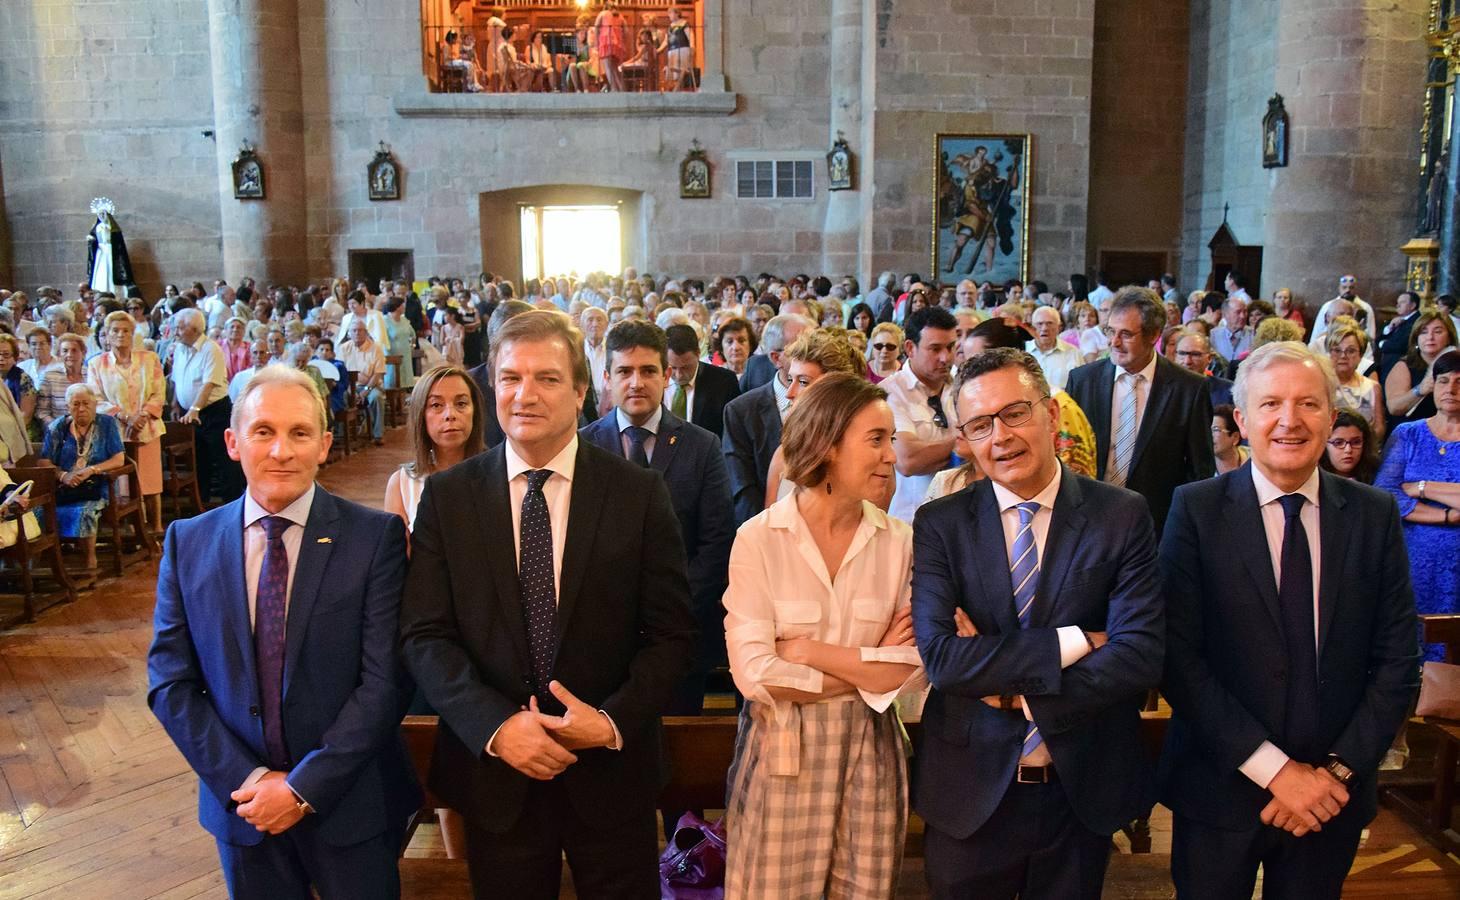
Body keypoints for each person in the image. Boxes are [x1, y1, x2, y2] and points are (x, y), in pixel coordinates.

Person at [398, 310, 694, 899]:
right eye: (510, 378)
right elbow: (425, 634)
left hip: (611, 776)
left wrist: (610, 722)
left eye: (547, 379)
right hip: (497, 775)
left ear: (582, 391)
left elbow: (671, 635)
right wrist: (497, 726)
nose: (524, 394)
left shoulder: (636, 491)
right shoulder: (451, 498)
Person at [1159, 340, 1419, 900]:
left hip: (1333, 797)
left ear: (1331, 415)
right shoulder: (1195, 509)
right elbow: (1178, 658)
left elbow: (1399, 659)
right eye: (1271, 404)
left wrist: (1336, 774)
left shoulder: (1373, 515)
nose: (1289, 421)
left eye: (1308, 404)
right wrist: (1277, 772)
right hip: (1220, 787)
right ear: (1241, 420)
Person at [148, 367, 420, 899]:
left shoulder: (373, 538)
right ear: (232, 442)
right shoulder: (189, 542)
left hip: (350, 807)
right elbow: (170, 684)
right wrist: (250, 783)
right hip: (243, 812)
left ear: (323, 445)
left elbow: (384, 683)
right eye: (263, 432)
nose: (281, 451)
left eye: (299, 433)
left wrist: (301, 788)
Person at [911, 347, 1163, 898]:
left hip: (1080, 790)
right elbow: (944, 660)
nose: (1000, 437)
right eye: (979, 425)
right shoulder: (941, 523)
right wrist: (1078, 641)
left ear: (1050, 415)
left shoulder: (1120, 514)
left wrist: (1006, 688)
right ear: (965, 439)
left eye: (1014, 413)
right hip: (968, 791)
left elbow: (1139, 654)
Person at [723, 372, 923, 898]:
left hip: (872, 759)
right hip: (782, 760)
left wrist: (811, 652)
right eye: (876, 439)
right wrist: (866, 669)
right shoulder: (760, 539)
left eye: (892, 439)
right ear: (827, 444)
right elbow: (755, 676)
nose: (890, 456)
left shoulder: (901, 542)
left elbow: (912, 667)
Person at [580, 320, 734, 720]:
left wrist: (667, 606)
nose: (636, 382)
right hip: (600, 638)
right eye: (624, 372)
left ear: (667, 375)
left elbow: (717, 543)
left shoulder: (702, 446)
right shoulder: (581, 447)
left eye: (648, 371)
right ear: (606, 378)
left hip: (680, 631)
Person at [1065, 287, 1215, 535]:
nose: (1114, 342)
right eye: (1110, 331)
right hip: (1088, 522)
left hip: (1155, 526)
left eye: (1126, 334)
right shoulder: (1082, 381)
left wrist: (1180, 527)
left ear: (1153, 335)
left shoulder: (1189, 388)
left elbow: (1200, 470)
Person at [1375, 348, 1460, 661]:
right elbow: (1386, 495)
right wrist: (1449, 515)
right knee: (1408, 646)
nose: (1451, 389)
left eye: (1459, 382)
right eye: (1443, 381)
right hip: (1412, 558)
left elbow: (1406, 492)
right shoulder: (1408, 434)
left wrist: (1422, 488)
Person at [722, 314, 815, 523]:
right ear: (776, 358)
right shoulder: (741, 411)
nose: (811, 353)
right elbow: (742, 487)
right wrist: (766, 536)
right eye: (800, 348)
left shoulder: (831, 404)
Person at [87, 310, 167, 534]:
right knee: (123, 484)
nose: (121, 335)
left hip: (146, 428)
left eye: (126, 331)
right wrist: (125, 416)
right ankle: (133, 529)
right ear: (107, 334)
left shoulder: (149, 359)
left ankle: (157, 526)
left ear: (133, 334)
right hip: (116, 431)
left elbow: (159, 392)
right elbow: (97, 399)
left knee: (151, 482)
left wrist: (141, 416)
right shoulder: (96, 364)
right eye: (115, 330)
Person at [884, 306, 959, 522]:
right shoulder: (890, 393)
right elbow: (908, 460)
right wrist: (967, 441)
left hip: (961, 519)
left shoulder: (964, 387)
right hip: (911, 521)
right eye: (935, 349)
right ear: (910, 348)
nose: (945, 357)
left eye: (951, 347)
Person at [39, 384, 125, 571]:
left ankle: (90, 561)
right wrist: (63, 476)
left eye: (86, 403)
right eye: (75, 404)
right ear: (68, 407)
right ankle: (51, 562)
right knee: (38, 511)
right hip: (64, 487)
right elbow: (44, 462)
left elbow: (119, 459)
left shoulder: (106, 424)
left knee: (85, 511)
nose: (81, 409)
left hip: (97, 485)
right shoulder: (57, 427)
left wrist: (92, 470)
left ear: (94, 404)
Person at [171, 308, 243, 503]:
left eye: (179, 328)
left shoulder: (211, 349)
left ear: (194, 329)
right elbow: (178, 378)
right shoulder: (180, 349)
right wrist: (176, 404)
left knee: (224, 460)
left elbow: (209, 383)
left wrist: (195, 409)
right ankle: (201, 503)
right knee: (198, 461)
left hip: (214, 411)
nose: (175, 332)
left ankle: (233, 503)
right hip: (190, 413)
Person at [663, 323, 739, 439]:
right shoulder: (655, 379)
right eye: (672, 368)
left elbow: (732, 433)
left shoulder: (724, 382)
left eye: (686, 367)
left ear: (698, 354)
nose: (679, 375)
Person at [1384, 310, 1457, 428]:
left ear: (1449, 337)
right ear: (1416, 337)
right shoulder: (1404, 365)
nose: (1430, 337)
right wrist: (1420, 389)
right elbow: (1394, 407)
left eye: (1437, 331)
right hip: (1410, 431)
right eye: (1424, 332)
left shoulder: (1456, 365)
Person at [1326, 322, 1384, 439]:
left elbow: (1379, 428)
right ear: (1329, 353)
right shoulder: (1320, 384)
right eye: (1337, 350)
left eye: (1351, 351)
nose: (1343, 356)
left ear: (1360, 356)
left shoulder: (1372, 387)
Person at [338, 319, 387, 446]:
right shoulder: (344, 348)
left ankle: (378, 435)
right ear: (349, 333)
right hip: (348, 387)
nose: (357, 333)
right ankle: (343, 434)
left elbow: (378, 374)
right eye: (354, 330)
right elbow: (340, 374)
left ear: (366, 332)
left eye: (360, 330)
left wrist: (365, 391)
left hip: (371, 386)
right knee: (340, 397)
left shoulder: (376, 349)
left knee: (376, 398)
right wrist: (351, 391)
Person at [739, 313, 812, 392]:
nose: (815, 354)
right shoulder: (756, 371)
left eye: (816, 345)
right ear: (776, 358)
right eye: (802, 350)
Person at [1025, 305, 1081, 391]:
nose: (1044, 328)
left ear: (1059, 327)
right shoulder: (1023, 351)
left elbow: (1080, 386)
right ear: (1032, 328)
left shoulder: (1073, 353)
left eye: (1049, 323)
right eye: (1040, 324)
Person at [1174, 330, 1235, 408]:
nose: (1187, 361)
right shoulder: (1162, 389)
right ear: (1175, 356)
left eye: (1195, 354)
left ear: (1209, 358)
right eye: (1182, 353)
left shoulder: (1227, 391)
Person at [1321, 408, 1380, 484]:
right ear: (1324, 444)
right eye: (1338, 443)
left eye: (1356, 442)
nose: (1348, 450)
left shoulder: (1379, 476)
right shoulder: (1313, 481)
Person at [1378, 290, 1421, 381]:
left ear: (1413, 305)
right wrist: (1390, 327)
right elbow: (1380, 338)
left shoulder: (1416, 322)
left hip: (1401, 367)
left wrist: (1382, 344)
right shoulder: (1399, 320)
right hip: (1390, 365)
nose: (1398, 305)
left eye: (1402, 302)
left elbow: (1401, 346)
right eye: (1397, 303)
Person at [383, 297, 417, 392]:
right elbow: (381, 338)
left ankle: (403, 401)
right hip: (391, 355)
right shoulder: (385, 320)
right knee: (393, 380)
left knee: (405, 382)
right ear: (397, 307)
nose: (404, 307)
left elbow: (412, 334)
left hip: (405, 354)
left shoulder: (404, 319)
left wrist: (412, 345)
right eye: (403, 305)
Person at [711, 315, 756, 381]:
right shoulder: (714, 378)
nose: (735, 347)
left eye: (741, 341)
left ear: (750, 344)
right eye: (729, 342)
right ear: (721, 347)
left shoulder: (760, 376)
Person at [1211, 403, 1249, 475]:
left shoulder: (1253, 460)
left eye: (1216, 430)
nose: (1210, 435)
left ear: (1235, 437)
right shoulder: (1202, 467)